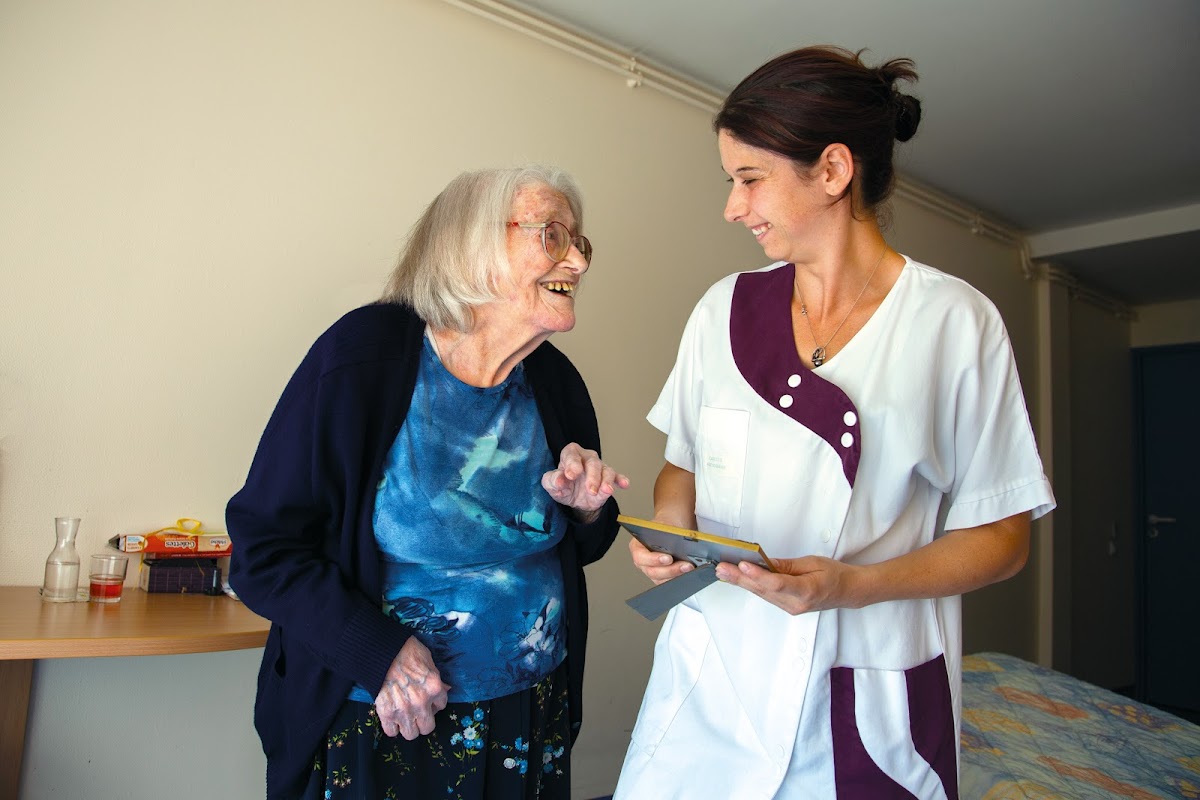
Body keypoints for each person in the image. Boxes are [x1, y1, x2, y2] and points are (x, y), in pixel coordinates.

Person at [615, 46, 1055, 799]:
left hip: (862, 694)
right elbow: (683, 458)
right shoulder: (723, 310)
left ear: (832, 170)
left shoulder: (953, 323)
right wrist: (670, 523)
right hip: (713, 681)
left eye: (750, 179)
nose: (732, 206)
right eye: (732, 180)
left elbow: (1003, 535)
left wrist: (853, 585)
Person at [226, 164, 629, 800]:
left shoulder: (554, 382)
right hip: (386, 715)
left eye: (579, 242)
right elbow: (263, 550)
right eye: (552, 235)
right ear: (472, 246)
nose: (575, 261)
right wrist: (377, 650)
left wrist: (585, 512)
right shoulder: (364, 358)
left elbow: (583, 547)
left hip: (530, 710)